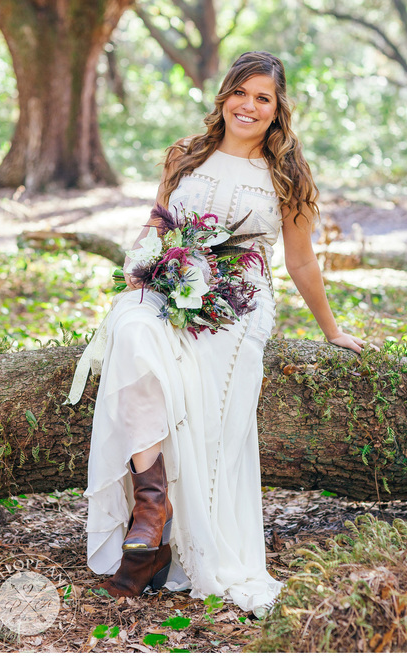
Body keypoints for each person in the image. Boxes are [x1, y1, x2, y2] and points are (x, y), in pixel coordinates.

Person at [73, 51, 364, 616]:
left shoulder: (288, 174)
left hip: (240, 297)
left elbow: (301, 262)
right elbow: (157, 223)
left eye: (264, 98)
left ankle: (175, 536)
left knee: (203, 382)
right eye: (242, 93)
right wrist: (142, 270)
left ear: (278, 110)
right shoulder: (186, 155)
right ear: (224, 95)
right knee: (130, 331)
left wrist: (331, 329)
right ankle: (153, 504)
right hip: (170, 279)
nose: (249, 106)